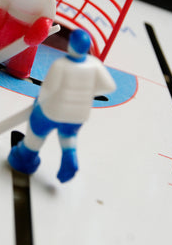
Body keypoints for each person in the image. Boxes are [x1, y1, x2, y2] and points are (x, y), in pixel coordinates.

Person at [8, 29, 116, 183]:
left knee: (37, 130)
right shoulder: (95, 65)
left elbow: (48, 90)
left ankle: (25, 158)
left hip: (53, 111)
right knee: (68, 135)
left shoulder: (61, 65)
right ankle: (69, 154)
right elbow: (109, 87)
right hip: (78, 115)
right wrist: (86, 93)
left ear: (71, 45)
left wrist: (38, 101)